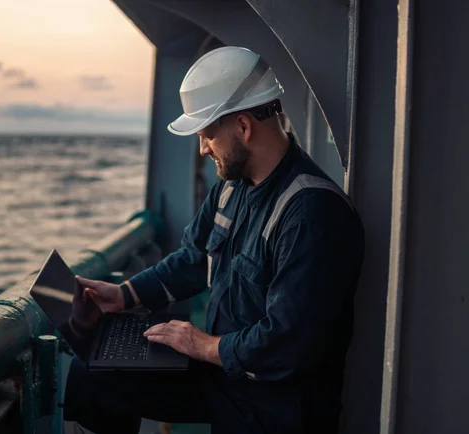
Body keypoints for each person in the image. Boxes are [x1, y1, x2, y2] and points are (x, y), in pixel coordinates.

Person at [62, 46, 365, 434]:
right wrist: (124, 295)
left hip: (275, 405)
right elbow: (193, 258)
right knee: (93, 372)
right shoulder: (232, 186)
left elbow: (289, 343)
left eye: (207, 135)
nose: (203, 149)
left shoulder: (312, 213)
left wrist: (203, 345)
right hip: (224, 374)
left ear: (243, 126)